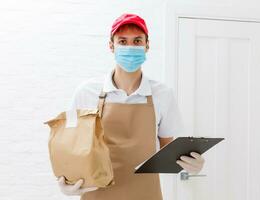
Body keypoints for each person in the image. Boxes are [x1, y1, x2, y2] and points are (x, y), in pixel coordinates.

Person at [57, 13, 205, 200]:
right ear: (111, 46)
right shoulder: (86, 92)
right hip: (97, 193)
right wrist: (67, 182)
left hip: (145, 193)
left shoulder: (162, 94)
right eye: (123, 41)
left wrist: (191, 165)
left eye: (137, 41)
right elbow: (73, 148)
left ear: (147, 46)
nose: (130, 47)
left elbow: (167, 152)